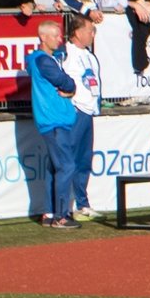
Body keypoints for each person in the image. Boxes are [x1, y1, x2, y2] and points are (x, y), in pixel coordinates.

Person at [28, 18, 81, 229]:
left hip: (54, 120)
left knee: (55, 167)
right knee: (66, 166)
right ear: (43, 37)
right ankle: (60, 215)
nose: (60, 39)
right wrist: (71, 87)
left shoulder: (46, 59)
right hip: (55, 120)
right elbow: (65, 81)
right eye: (56, 35)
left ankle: (50, 213)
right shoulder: (43, 61)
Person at [59, 14, 102, 219]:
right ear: (77, 32)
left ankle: (83, 204)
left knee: (84, 159)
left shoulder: (90, 55)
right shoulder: (67, 53)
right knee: (71, 160)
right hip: (76, 111)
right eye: (89, 30)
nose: (93, 34)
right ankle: (64, 206)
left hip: (89, 110)